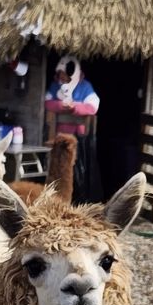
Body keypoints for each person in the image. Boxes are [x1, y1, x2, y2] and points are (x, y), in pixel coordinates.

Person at [44, 55, 101, 202]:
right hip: (59, 137)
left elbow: (93, 107)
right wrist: (60, 106)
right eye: (60, 75)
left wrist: (74, 107)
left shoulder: (85, 87)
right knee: (58, 169)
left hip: (78, 139)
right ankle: (56, 199)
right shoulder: (55, 85)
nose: (61, 78)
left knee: (76, 172)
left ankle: (77, 200)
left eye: (64, 75)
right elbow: (47, 102)